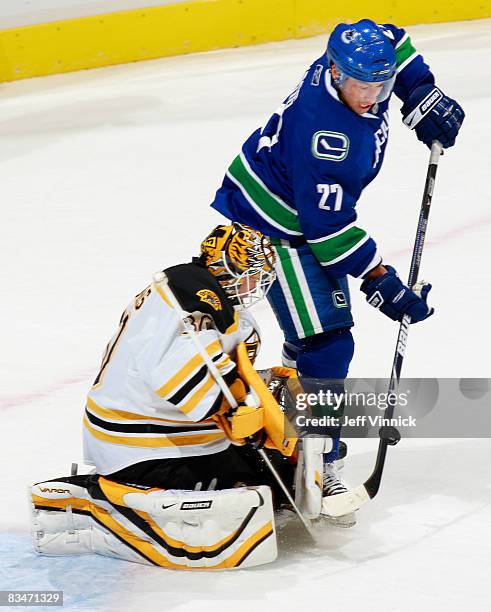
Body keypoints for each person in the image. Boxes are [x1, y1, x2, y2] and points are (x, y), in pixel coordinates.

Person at [210, 19, 465, 494]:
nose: (372, 95)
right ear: (334, 71)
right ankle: (316, 457)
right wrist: (381, 279)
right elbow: (326, 232)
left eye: (382, 84)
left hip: (297, 210)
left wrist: (420, 93)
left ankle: (291, 419)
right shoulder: (326, 137)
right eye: (360, 84)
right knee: (326, 342)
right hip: (278, 225)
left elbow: (393, 38)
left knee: (316, 343)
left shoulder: (355, 67)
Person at [30, 223, 301, 570]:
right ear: (229, 269)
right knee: (249, 496)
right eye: (253, 272)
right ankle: (100, 502)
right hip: (140, 446)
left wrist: (255, 386)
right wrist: (247, 410)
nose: (258, 282)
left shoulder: (188, 289)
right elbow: (191, 391)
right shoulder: (198, 311)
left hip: (154, 429)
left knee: (276, 480)